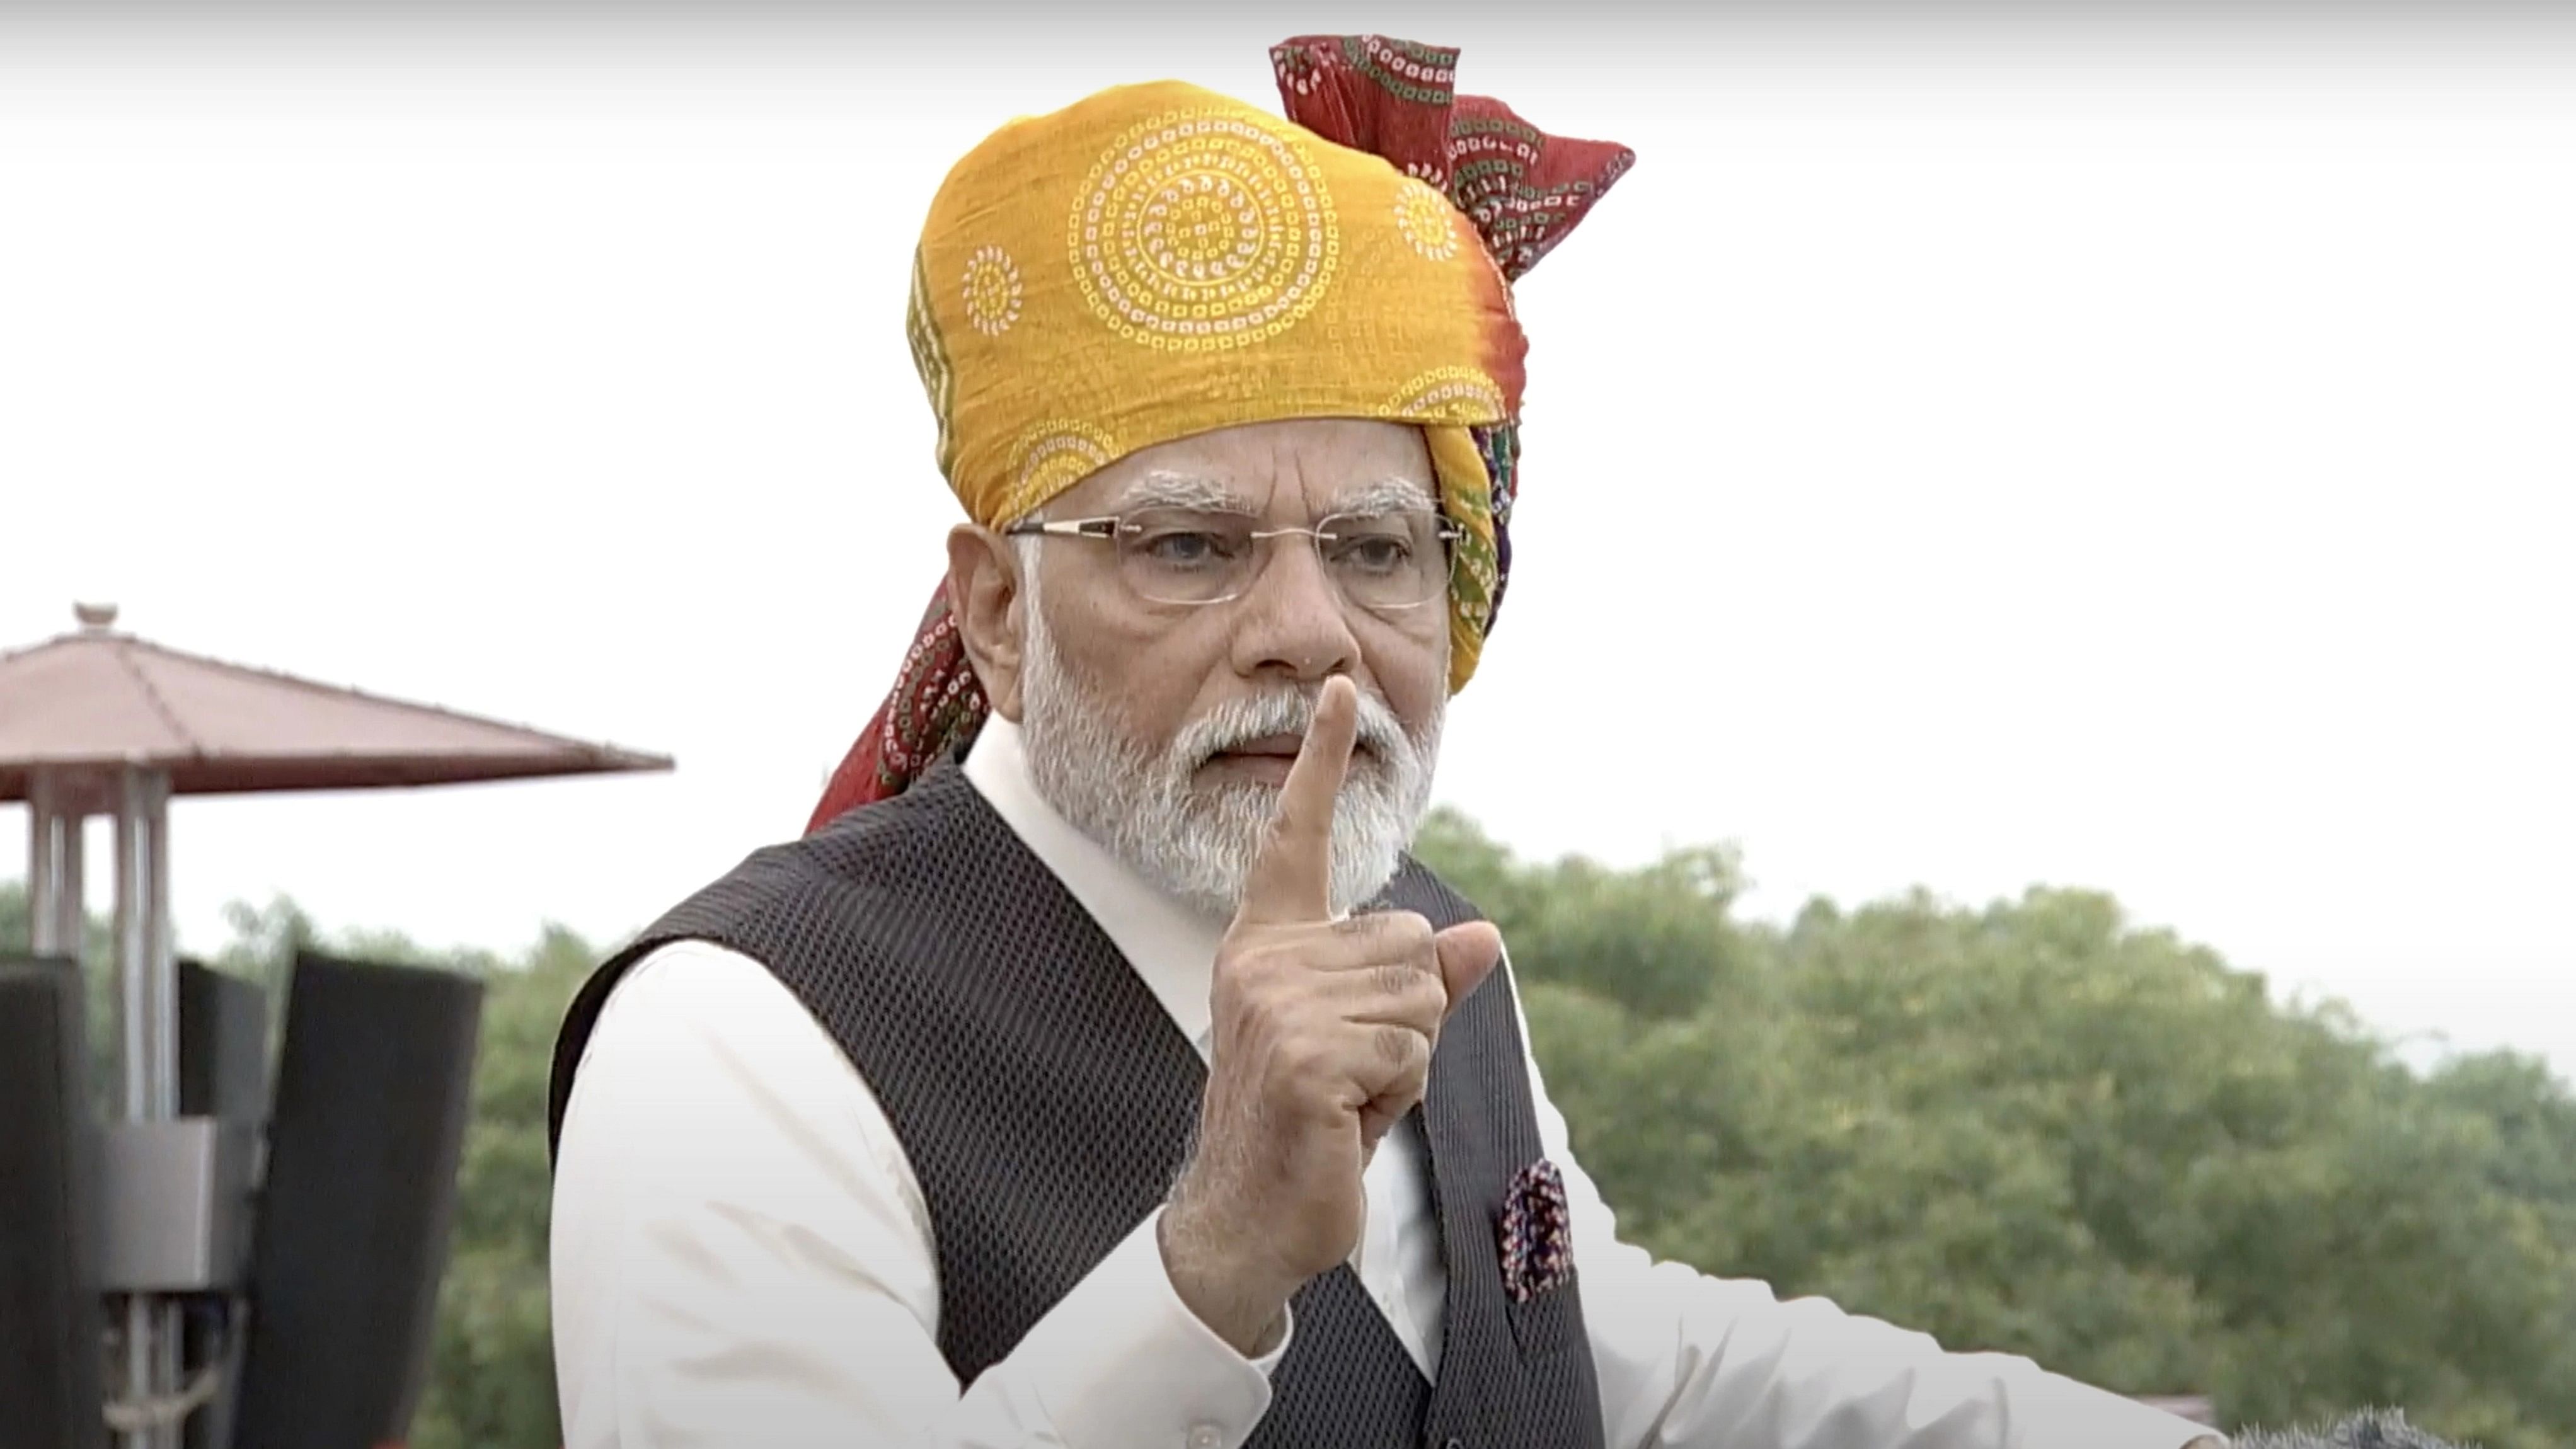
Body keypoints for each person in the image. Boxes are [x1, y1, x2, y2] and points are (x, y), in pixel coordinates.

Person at [546, 35, 2228, 1449]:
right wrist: (1208, 1266)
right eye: (1191, 546)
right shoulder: (743, 1038)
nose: (1312, 629)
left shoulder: (1427, 941)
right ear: (997, 610)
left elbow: (1610, 1358)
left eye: (1374, 549)